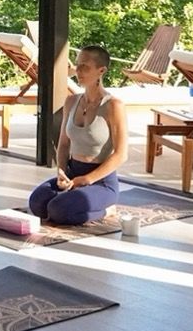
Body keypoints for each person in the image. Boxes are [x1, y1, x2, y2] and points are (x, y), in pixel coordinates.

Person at [27, 45, 128, 225]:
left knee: (59, 210)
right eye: (77, 65)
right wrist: (61, 171)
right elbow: (64, 144)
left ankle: (107, 210)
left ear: (101, 71)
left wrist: (87, 179)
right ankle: (77, 200)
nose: (78, 71)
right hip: (73, 174)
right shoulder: (71, 101)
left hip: (101, 182)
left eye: (85, 67)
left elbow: (121, 155)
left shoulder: (113, 106)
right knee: (37, 204)